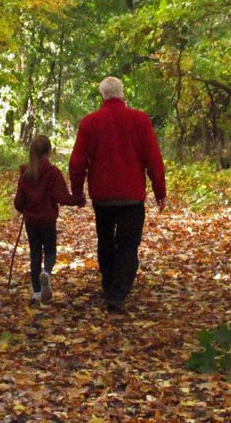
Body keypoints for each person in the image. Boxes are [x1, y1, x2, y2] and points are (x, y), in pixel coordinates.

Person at [69, 77, 166, 313]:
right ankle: (118, 292)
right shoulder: (140, 120)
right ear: (122, 94)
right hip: (131, 195)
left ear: (102, 95)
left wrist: (78, 192)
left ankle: (109, 285)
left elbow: (77, 162)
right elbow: (153, 158)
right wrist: (159, 190)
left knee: (105, 241)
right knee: (128, 245)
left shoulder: (90, 123)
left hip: (103, 197)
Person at [14, 134, 84, 304]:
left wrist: (23, 208)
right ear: (49, 151)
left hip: (31, 221)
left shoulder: (26, 174)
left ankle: (36, 293)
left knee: (35, 254)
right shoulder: (53, 173)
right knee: (50, 251)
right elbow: (61, 197)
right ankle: (46, 272)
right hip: (47, 220)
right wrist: (79, 199)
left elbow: (18, 202)